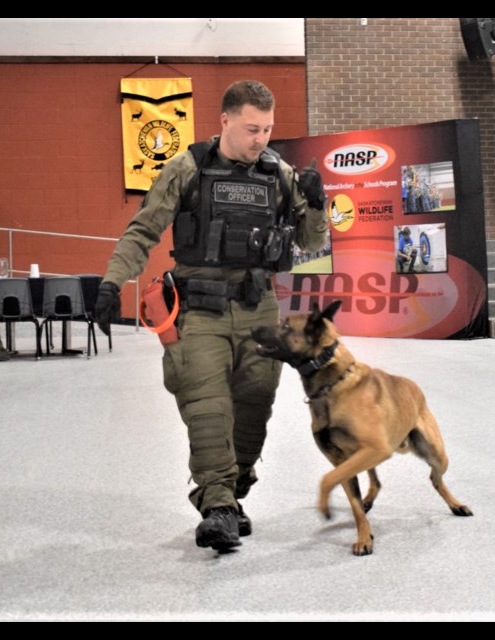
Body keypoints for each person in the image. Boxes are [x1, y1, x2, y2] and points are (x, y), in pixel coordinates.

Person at [93, 80, 329, 552]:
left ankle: (233, 488)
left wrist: (319, 204)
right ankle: (218, 505)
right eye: (250, 129)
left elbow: (313, 241)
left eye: (266, 129)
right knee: (207, 406)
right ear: (224, 121)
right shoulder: (189, 167)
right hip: (200, 310)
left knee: (256, 406)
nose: (260, 138)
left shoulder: (278, 172)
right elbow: (143, 231)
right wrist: (111, 283)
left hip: (259, 307)